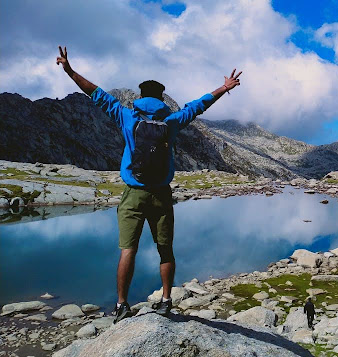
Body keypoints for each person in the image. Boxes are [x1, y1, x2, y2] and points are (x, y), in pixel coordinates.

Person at [56, 46, 242, 323]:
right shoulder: (171, 120)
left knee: (127, 250)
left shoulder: (127, 116)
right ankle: (166, 301)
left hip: (133, 194)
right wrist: (223, 87)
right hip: (162, 195)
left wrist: (70, 71)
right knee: (165, 250)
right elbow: (198, 106)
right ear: (162, 97)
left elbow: (94, 92)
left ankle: (121, 305)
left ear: (141, 96)